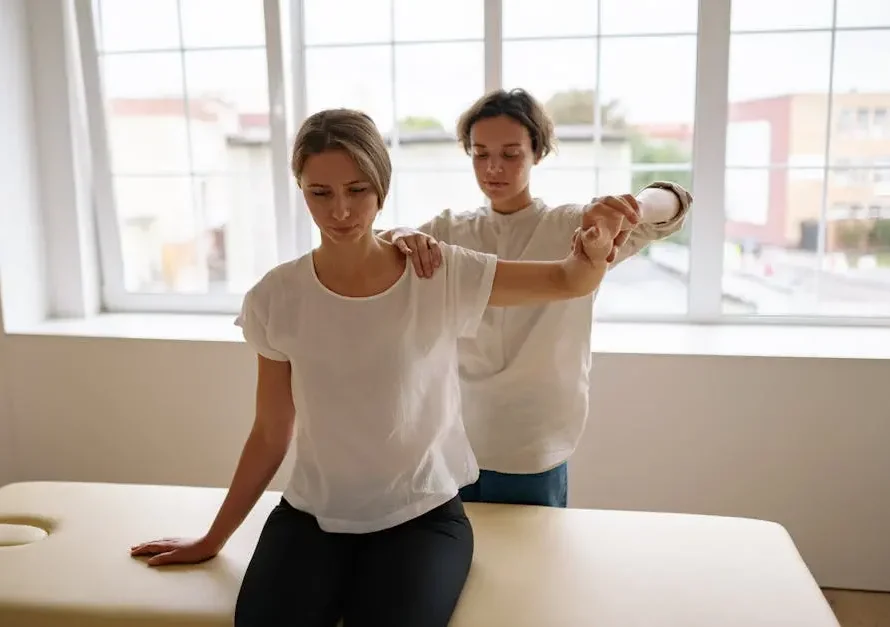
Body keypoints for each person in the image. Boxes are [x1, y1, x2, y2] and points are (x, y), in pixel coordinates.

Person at [129, 108, 637, 627]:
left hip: (423, 519)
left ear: (382, 187)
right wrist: (213, 538)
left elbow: (567, 281)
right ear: (301, 189)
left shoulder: (434, 271)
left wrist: (593, 250)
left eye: (358, 190)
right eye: (320, 193)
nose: (340, 210)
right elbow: (269, 432)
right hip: (310, 516)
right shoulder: (275, 297)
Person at [380, 88, 693, 509]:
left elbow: (675, 201)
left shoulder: (578, 227)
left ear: (538, 153)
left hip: (535, 440)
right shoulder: (450, 230)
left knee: (534, 550)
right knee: (463, 547)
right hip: (457, 436)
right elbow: (379, 250)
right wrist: (400, 234)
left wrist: (630, 207)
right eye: (480, 154)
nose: (493, 167)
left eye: (510, 154)